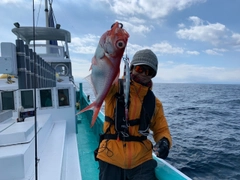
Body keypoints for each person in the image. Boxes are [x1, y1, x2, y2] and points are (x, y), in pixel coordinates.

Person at [95, 49, 172, 180]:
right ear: (131, 68)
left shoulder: (154, 103)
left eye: (149, 71)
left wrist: (164, 141)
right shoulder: (114, 87)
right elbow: (100, 75)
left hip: (141, 161)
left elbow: (161, 129)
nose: (143, 74)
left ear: (153, 74)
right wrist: (110, 49)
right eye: (140, 68)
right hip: (110, 156)